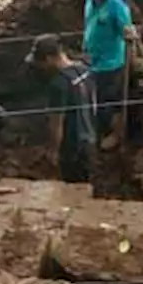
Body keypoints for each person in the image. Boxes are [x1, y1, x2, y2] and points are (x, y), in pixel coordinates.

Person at [29, 34, 98, 183]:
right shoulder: (84, 69)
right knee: (86, 183)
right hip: (90, 139)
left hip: (72, 147)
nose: (40, 67)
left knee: (73, 187)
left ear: (48, 58)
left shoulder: (58, 84)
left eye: (40, 62)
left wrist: (53, 151)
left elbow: (57, 123)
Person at [83, 0, 136, 147]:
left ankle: (116, 134)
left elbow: (127, 33)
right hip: (92, 61)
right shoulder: (90, 0)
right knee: (96, 100)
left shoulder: (117, 6)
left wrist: (129, 34)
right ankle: (100, 130)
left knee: (111, 102)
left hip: (111, 64)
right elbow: (88, 26)